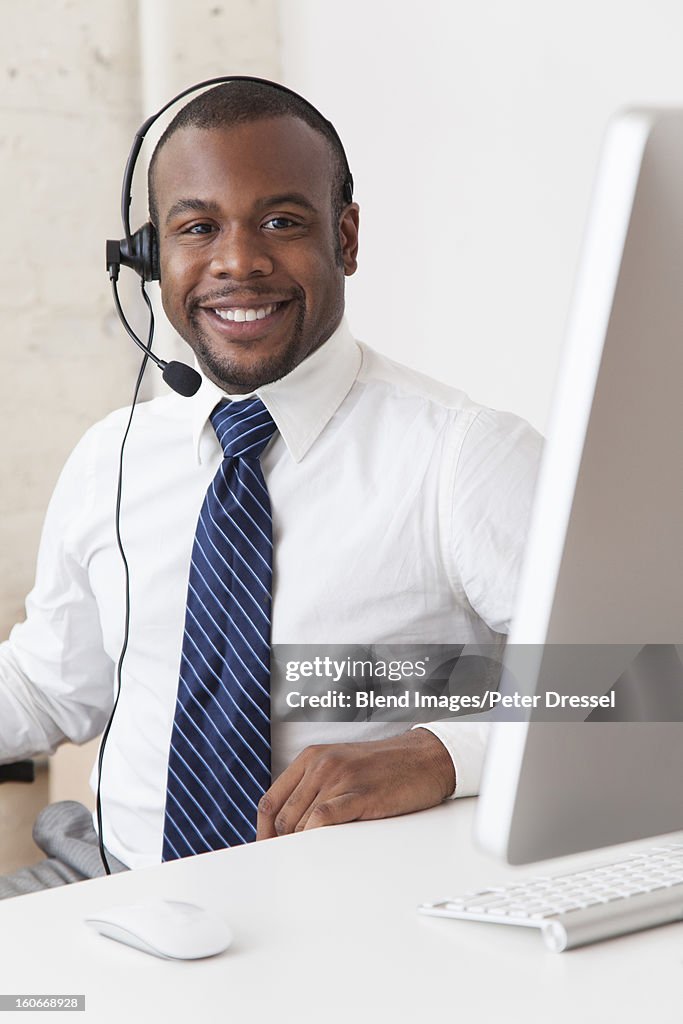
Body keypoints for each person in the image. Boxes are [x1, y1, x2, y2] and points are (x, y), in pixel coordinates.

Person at [0, 80, 541, 896]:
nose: (237, 262)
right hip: (108, 883)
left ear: (346, 239)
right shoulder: (111, 456)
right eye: (197, 228)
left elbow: (639, 679)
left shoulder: (464, 457)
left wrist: (440, 755)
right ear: (152, 259)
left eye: (281, 223)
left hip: (348, 903)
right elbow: (51, 684)